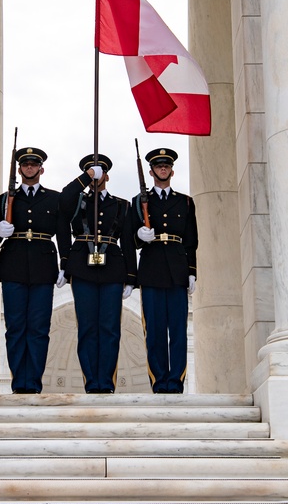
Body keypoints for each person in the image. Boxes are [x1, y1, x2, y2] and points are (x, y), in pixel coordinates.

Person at [0, 147, 70, 394]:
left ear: (41, 169)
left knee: (39, 328)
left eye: (34, 164)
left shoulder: (54, 199)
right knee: (15, 328)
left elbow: (64, 234)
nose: (29, 168)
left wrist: (65, 264)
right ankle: (18, 383)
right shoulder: (4, 199)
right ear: (20, 169)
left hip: (44, 267)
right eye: (25, 164)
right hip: (13, 266)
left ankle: (33, 382)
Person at [59, 154, 137, 394]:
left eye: (100, 172)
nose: (97, 176)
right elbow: (63, 200)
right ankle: (91, 382)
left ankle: (107, 382)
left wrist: (131, 277)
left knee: (110, 328)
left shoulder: (122, 205)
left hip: (113, 268)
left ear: (108, 176)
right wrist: (87, 177)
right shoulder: (77, 201)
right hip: (82, 267)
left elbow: (128, 242)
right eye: (93, 172)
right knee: (87, 327)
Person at [131, 148, 198, 394]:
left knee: (178, 331)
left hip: (178, 270)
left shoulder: (185, 202)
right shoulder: (139, 202)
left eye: (166, 166)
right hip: (151, 270)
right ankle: (159, 381)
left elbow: (191, 240)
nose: (162, 169)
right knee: (155, 332)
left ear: (171, 170)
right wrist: (139, 235)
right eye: (158, 166)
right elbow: (131, 238)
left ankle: (176, 381)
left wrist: (192, 271)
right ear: (150, 171)